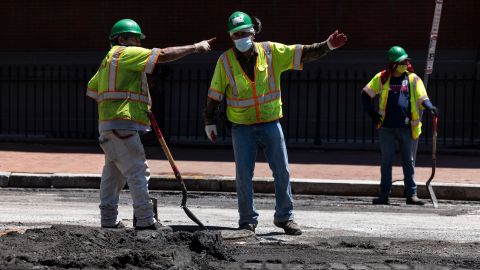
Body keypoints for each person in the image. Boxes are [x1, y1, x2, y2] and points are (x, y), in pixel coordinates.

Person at [203, 11, 347, 235]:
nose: (240, 37)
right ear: (231, 36)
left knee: (282, 171)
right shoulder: (225, 61)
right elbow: (215, 94)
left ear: (253, 32)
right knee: (243, 175)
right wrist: (209, 120)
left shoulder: (271, 52)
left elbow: (302, 52)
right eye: (235, 34)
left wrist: (327, 45)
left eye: (244, 32)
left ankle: (284, 217)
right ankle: (247, 221)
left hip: (271, 123)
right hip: (241, 127)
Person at [86, 18, 214, 230]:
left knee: (113, 174)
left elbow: (92, 90)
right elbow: (162, 55)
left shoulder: (107, 61)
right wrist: (194, 47)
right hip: (123, 125)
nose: (138, 44)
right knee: (138, 171)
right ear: (121, 39)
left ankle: (108, 221)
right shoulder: (125, 53)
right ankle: (146, 221)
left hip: (109, 125)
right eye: (135, 39)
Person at [361, 46, 439, 206]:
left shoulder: (413, 79)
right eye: (402, 62)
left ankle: (411, 194)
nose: (405, 64)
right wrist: (372, 113)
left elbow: (422, 96)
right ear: (394, 64)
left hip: (406, 128)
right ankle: (384, 194)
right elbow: (365, 94)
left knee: (408, 161)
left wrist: (430, 106)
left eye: (406, 61)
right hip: (386, 128)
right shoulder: (382, 78)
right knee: (386, 161)